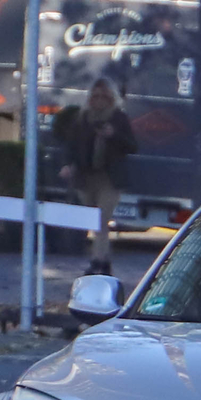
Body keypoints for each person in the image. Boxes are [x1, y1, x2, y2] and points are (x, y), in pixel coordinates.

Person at [53, 78, 137, 276]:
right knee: (93, 221)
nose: (99, 100)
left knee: (101, 220)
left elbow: (132, 146)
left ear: (110, 98)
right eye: (95, 96)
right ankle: (104, 261)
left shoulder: (118, 118)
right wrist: (67, 165)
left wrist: (113, 135)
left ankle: (97, 261)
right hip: (86, 177)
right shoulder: (82, 118)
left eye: (103, 97)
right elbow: (71, 145)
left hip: (109, 178)